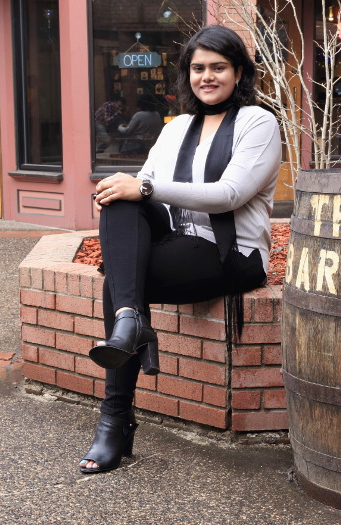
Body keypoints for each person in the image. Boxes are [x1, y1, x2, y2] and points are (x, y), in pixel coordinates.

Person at [79, 25, 282, 474]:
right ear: (187, 74)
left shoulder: (258, 122)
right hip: (177, 242)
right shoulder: (177, 128)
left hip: (229, 252)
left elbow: (230, 193)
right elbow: (142, 191)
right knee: (117, 197)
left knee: (121, 281)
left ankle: (115, 420)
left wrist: (145, 186)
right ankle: (133, 324)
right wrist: (133, 188)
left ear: (239, 72)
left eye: (218, 67)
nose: (206, 76)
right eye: (198, 68)